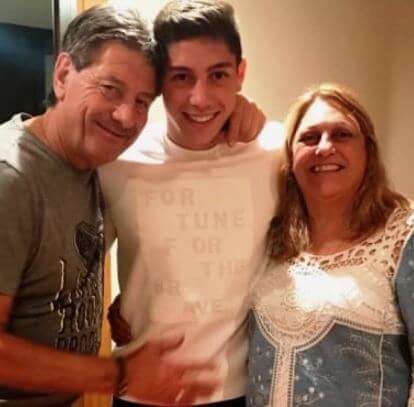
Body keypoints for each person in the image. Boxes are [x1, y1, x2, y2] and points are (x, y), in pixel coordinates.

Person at [0, 5, 215, 406]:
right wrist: (120, 374)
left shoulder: (96, 164)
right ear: (62, 75)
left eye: (143, 101)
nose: (127, 117)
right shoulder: (5, 175)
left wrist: (126, 306)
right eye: (110, 89)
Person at [247, 83, 414, 406]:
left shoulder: (408, 238)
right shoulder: (270, 236)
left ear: (368, 152)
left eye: (342, 134)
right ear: (290, 155)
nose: (324, 147)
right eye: (309, 137)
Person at [99, 0, 280, 405]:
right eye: (182, 77)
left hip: (238, 391)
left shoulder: (275, 153)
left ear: (240, 74)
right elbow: (75, 260)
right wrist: (127, 302)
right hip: (140, 393)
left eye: (218, 75)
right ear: (159, 82)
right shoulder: (117, 163)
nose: (199, 98)